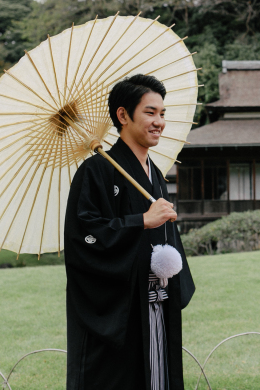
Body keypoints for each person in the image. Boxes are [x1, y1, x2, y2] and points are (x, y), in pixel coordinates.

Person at [64, 74, 195, 390]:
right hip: (118, 308)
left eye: (162, 114)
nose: (159, 122)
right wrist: (141, 221)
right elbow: (85, 238)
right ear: (123, 115)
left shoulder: (156, 176)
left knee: (158, 376)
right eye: (150, 112)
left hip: (156, 300)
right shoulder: (94, 172)